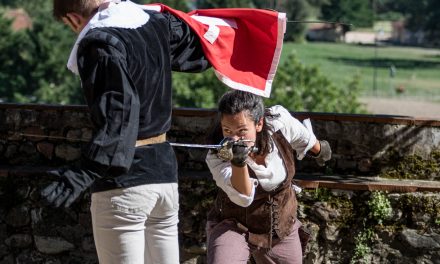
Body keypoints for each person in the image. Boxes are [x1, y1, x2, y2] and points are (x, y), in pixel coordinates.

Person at [40, 0, 209, 263]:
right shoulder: (152, 23)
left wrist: (83, 173)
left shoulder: (100, 43)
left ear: (73, 18)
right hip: (164, 178)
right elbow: (197, 43)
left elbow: (120, 114)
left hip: (125, 186)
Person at [205, 90, 332, 264]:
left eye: (242, 131)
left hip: (279, 227)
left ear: (259, 124)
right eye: (227, 130)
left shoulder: (279, 123)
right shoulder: (217, 156)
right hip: (233, 225)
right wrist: (238, 161)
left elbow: (305, 138)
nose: (234, 138)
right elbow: (243, 197)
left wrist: (320, 150)